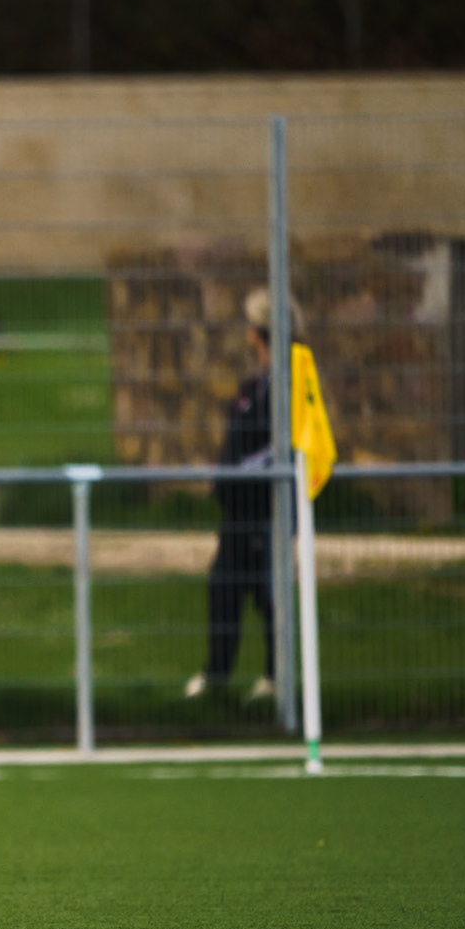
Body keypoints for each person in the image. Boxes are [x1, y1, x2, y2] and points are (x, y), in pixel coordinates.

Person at [185, 289, 291, 703]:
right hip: (237, 510)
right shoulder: (256, 384)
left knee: (267, 593)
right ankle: (216, 675)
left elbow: (281, 449)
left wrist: (237, 474)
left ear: (258, 333)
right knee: (224, 587)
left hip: (263, 507)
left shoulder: (283, 385)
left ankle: (277, 679)